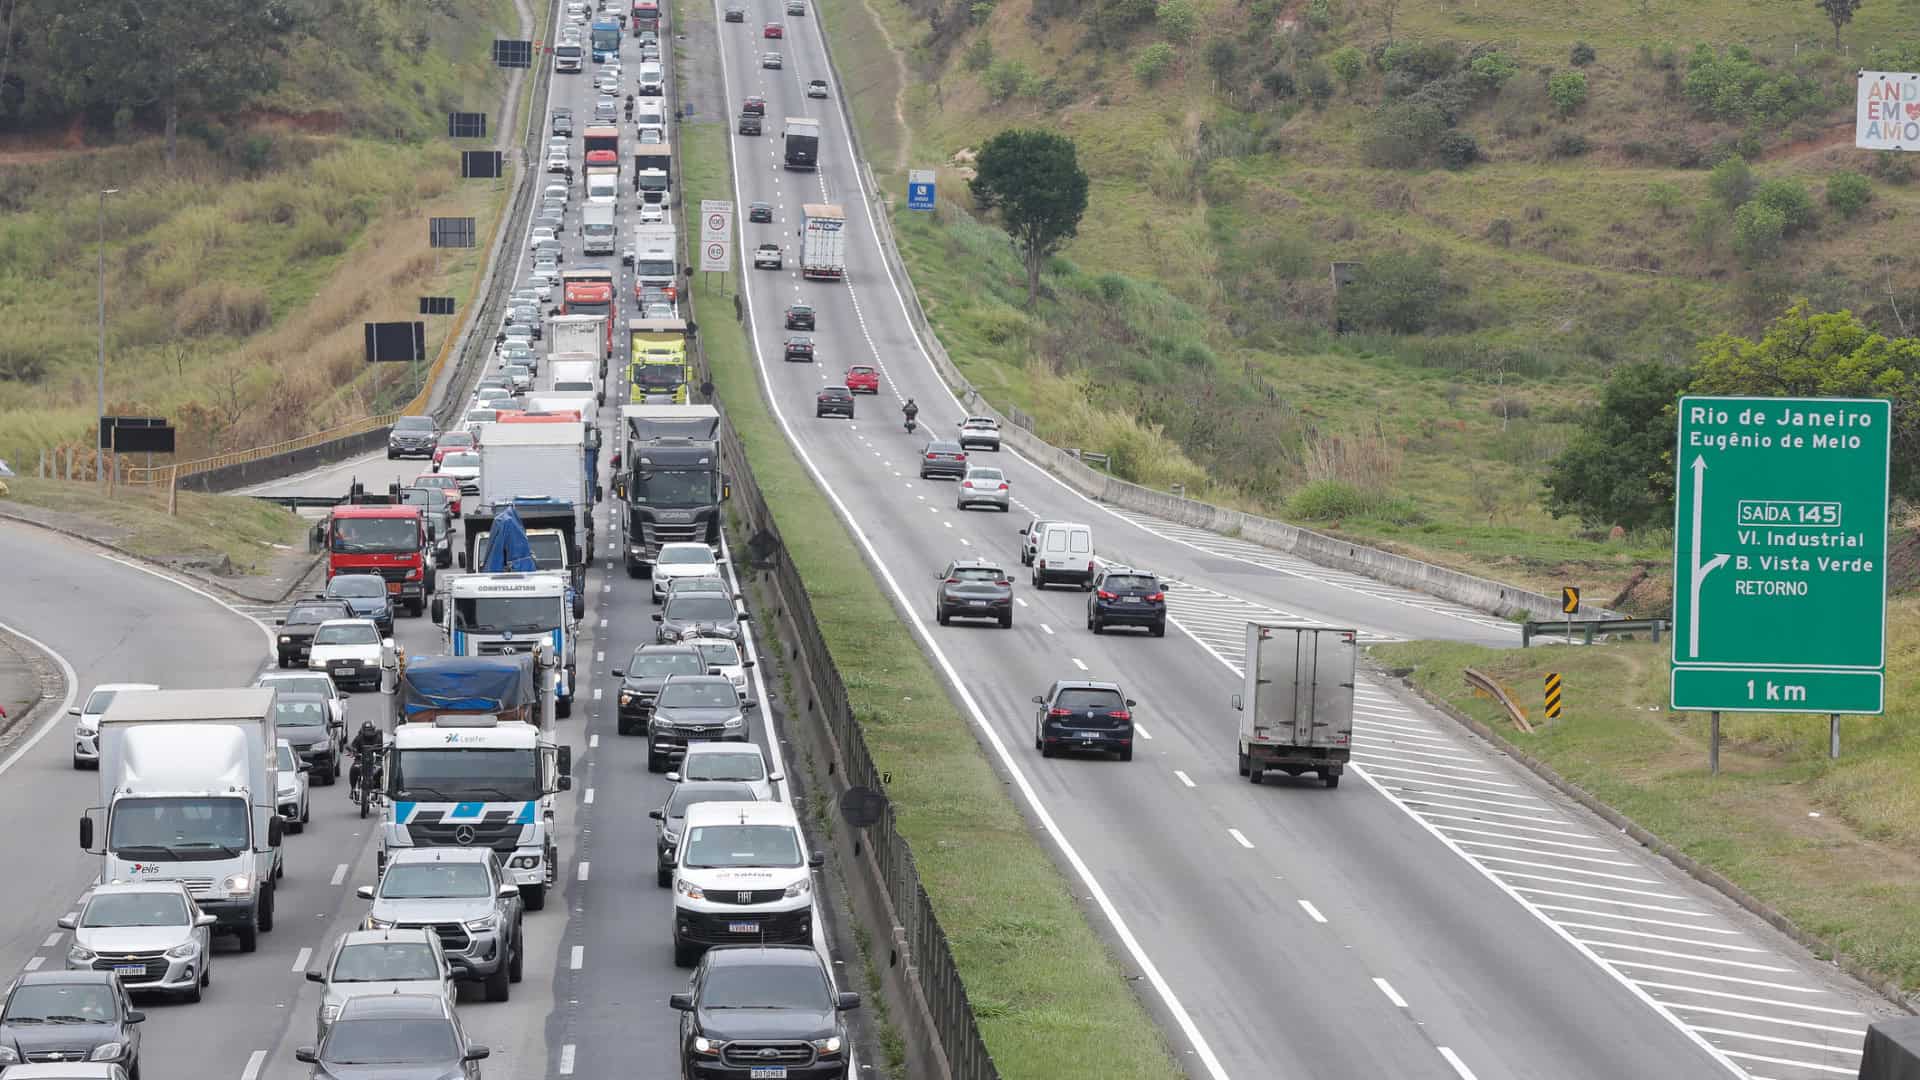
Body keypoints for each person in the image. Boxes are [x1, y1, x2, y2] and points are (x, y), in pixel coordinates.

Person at [348, 721, 384, 795]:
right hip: (361, 760)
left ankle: (380, 788)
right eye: (366, 730)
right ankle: (353, 789)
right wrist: (352, 750)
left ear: (374, 729)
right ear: (363, 730)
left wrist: (383, 752)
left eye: (370, 730)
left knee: (382, 770)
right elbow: (353, 746)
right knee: (353, 769)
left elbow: (384, 748)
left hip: (376, 760)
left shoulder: (379, 738)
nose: (368, 733)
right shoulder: (359, 738)